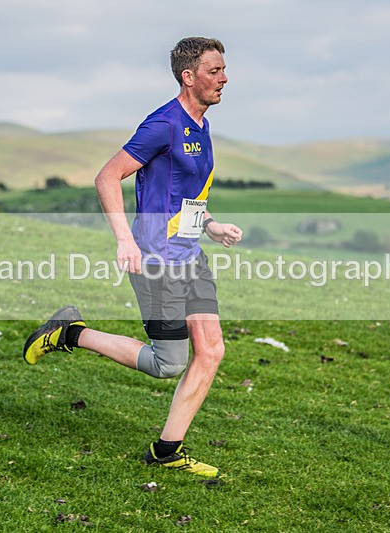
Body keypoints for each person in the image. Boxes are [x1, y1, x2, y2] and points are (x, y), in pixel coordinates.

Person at [23, 36, 242, 477]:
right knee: (170, 363)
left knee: (211, 351)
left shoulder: (200, 125)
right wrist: (125, 240)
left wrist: (211, 226)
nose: (224, 78)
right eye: (214, 71)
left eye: (223, 69)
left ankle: (166, 452)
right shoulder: (162, 124)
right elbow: (107, 177)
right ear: (189, 77)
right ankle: (71, 333)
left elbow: (183, 195)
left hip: (189, 253)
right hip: (157, 259)